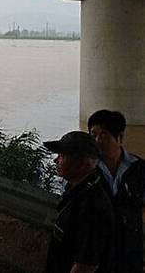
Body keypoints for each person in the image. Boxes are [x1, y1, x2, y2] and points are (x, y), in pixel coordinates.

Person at [44, 131, 115, 273]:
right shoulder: (78, 190)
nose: (56, 160)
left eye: (62, 156)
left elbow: (86, 265)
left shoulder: (93, 206)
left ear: (83, 163)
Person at [88, 110, 145, 272]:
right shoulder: (86, 169)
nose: (97, 141)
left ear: (120, 138)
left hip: (130, 253)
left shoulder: (139, 169)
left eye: (104, 135)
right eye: (93, 135)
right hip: (95, 252)